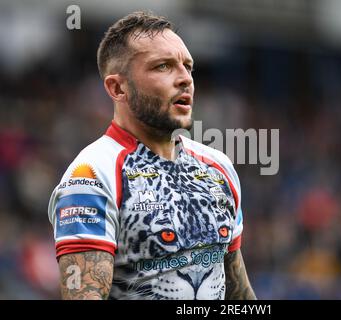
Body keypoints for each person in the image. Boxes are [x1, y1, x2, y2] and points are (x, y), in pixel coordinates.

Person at [48, 11, 256, 300]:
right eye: (163, 66)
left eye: (188, 67)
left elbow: (238, 293)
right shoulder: (93, 174)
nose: (185, 79)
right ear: (117, 88)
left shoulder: (219, 167)